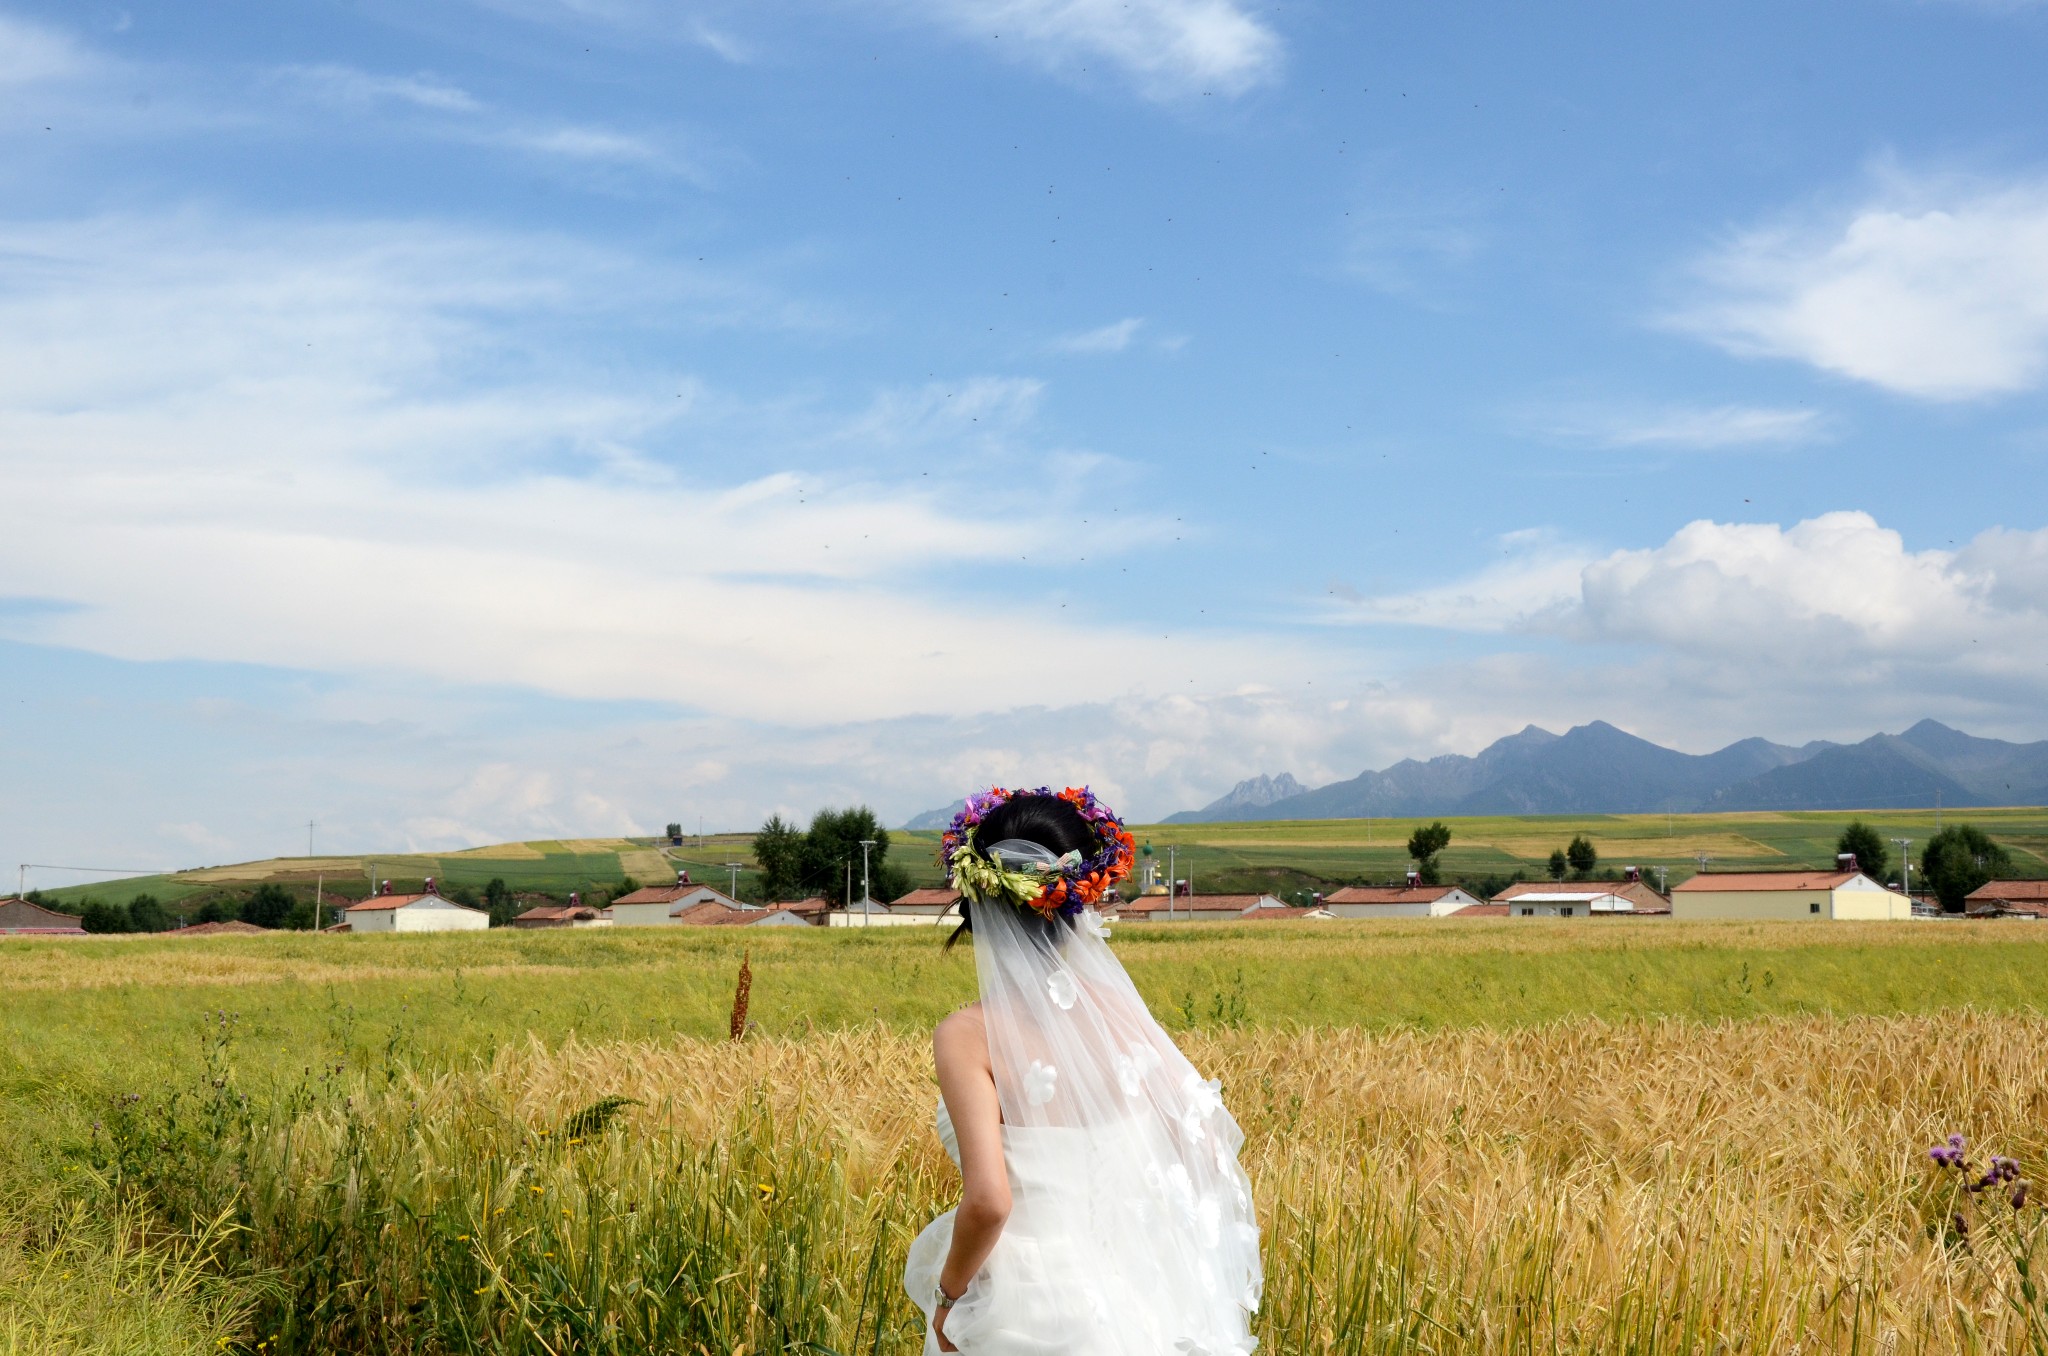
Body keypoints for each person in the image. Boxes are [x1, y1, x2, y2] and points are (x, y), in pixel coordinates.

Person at [904, 787, 1262, 1356]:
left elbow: (991, 1201)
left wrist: (947, 1301)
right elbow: (1208, 1152)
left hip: (1026, 1311)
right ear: (1080, 905)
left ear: (974, 904)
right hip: (1142, 1306)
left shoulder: (967, 1036)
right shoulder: (1120, 1016)